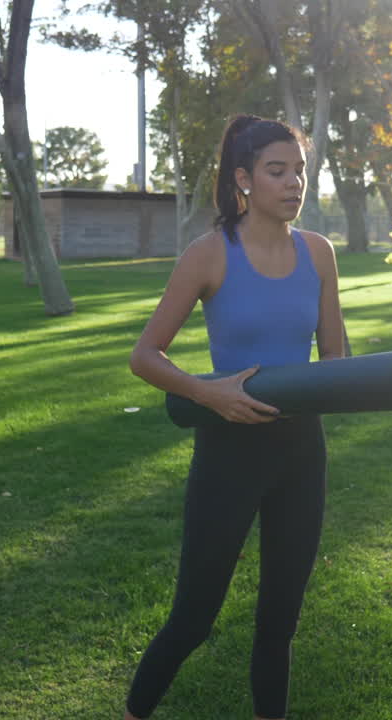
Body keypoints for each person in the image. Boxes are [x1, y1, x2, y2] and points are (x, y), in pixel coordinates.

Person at [123, 114, 346, 720]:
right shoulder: (209, 254)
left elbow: (335, 358)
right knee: (193, 618)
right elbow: (145, 355)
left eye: (299, 170)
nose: (294, 183)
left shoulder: (319, 254)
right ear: (244, 180)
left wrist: (350, 383)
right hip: (229, 454)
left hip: (302, 455)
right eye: (278, 172)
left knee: (279, 624)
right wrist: (209, 393)